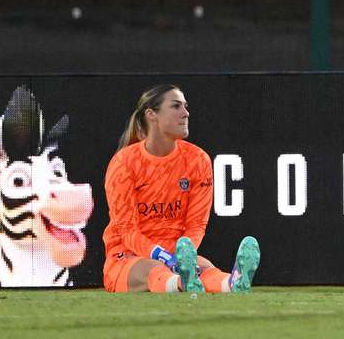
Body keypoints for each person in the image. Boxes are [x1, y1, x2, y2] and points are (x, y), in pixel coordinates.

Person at [102, 84, 260, 294]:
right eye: (176, 106)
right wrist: (165, 257)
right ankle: (181, 282)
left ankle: (233, 283)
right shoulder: (124, 163)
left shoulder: (198, 160)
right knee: (154, 269)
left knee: (205, 268)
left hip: (177, 252)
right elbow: (128, 231)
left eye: (185, 106)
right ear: (152, 115)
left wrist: (183, 253)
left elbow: (196, 225)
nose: (186, 113)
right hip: (128, 255)